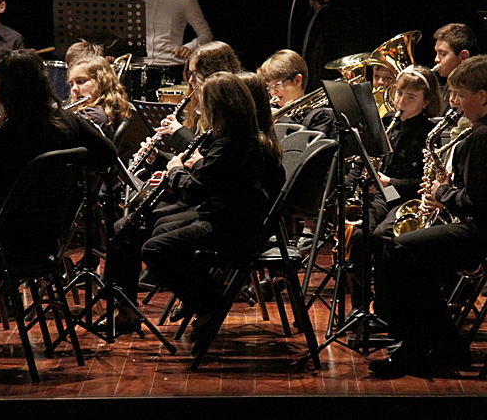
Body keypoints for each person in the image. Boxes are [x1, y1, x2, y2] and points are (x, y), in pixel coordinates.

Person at [369, 55, 487, 378]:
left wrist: (442, 193)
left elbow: (476, 201)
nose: (455, 102)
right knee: (408, 254)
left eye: (461, 95)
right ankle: (443, 345)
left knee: (400, 249)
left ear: (482, 96)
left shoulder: (482, 136)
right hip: (473, 225)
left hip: (478, 233)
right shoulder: (477, 132)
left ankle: (416, 347)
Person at [0, 49, 117, 262]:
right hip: (48, 240)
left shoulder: (3, 137)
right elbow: (108, 155)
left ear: (9, 90)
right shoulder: (69, 122)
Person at [140, 72, 270, 327]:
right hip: (227, 218)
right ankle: (199, 297)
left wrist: (175, 170)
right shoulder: (235, 138)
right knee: (162, 229)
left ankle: (209, 303)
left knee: (154, 249)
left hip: (232, 229)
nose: (201, 107)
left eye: (205, 102)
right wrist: (172, 165)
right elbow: (207, 178)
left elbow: (195, 191)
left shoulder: (229, 145)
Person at [345, 65, 442, 313]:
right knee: (358, 235)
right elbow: (363, 159)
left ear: (425, 102)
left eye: (411, 97)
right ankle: (360, 307)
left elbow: (425, 183)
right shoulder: (385, 122)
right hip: (382, 196)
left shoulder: (429, 134)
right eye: (399, 93)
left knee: (382, 237)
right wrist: (350, 188)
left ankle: (385, 307)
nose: (401, 102)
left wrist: (390, 183)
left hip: (406, 200)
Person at [128, 0, 213, 97]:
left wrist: (190, 47)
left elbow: (206, 34)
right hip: (138, 68)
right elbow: (127, 34)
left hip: (170, 67)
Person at [257, 49, 335, 138]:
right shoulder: (271, 115)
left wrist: (280, 119)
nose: (273, 92)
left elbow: (304, 145)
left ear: (297, 80)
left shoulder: (320, 116)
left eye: (277, 84)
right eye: (269, 87)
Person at [67, 55, 132, 140]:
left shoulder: (94, 116)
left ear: (101, 83)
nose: (74, 89)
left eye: (81, 81)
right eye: (71, 84)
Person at [433, 23, 477, 114]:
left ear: (463, 56)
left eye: (443, 54)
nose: (436, 59)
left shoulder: (472, 91)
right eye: (437, 53)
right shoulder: (448, 84)